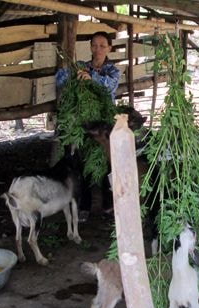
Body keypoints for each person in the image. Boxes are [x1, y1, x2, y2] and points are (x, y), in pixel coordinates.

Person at [56, 31, 121, 222]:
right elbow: (59, 80)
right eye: (94, 45)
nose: (98, 49)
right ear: (90, 47)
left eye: (102, 45)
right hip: (84, 123)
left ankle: (109, 206)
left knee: (106, 164)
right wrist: (73, 74)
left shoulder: (112, 71)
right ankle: (84, 206)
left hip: (105, 123)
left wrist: (91, 77)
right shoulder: (82, 66)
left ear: (109, 48)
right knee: (83, 163)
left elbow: (109, 87)